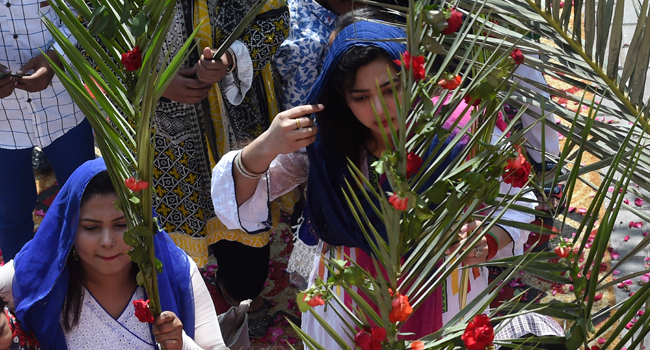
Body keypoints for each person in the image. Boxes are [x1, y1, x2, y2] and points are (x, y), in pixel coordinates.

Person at [211, 21, 535, 348]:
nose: (379, 109)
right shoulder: (327, 145)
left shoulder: (461, 132)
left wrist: (486, 241)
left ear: (412, 76)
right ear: (343, 98)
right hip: (348, 293)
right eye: (361, 97)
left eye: (391, 89)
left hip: (444, 284)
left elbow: (518, 203)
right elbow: (238, 202)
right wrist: (266, 146)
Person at [153, 0, 291, 336]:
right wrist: (156, 82)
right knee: (173, 244)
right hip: (163, 133)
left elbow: (275, 20)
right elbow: (97, 41)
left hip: (239, 120)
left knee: (246, 253)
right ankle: (184, 312)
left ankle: (239, 293)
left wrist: (231, 58)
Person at [0, 158, 228, 350]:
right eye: (91, 228)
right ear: (69, 230)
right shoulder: (41, 271)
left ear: (142, 224)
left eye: (121, 225)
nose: (107, 241)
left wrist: (183, 345)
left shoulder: (178, 273)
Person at [0, 1, 96, 261]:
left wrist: (56, 56)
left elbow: (85, 10)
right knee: (10, 214)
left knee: (85, 201)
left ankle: (84, 283)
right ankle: (22, 291)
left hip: (64, 106)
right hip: (4, 123)